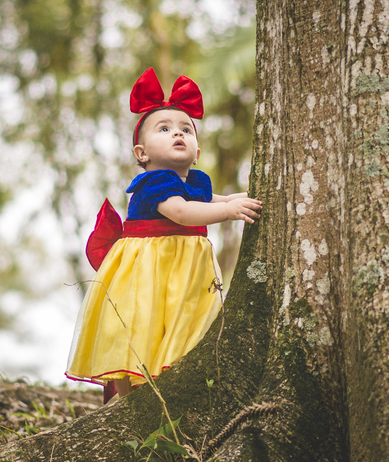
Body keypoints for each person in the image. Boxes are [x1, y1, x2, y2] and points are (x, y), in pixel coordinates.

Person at [66, 68, 261, 402]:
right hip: (149, 271)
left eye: (186, 129)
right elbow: (182, 213)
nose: (178, 133)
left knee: (182, 326)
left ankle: (167, 392)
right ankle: (128, 400)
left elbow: (210, 200)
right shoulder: (153, 182)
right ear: (142, 154)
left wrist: (236, 198)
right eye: (165, 129)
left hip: (183, 273)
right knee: (140, 329)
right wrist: (229, 212)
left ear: (197, 153)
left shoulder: (194, 182)